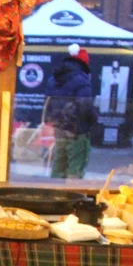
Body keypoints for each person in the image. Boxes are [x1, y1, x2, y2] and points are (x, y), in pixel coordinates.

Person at [45, 44, 95, 179]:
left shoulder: (54, 78)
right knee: (75, 169)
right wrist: (92, 121)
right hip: (77, 130)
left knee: (58, 166)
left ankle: (53, 195)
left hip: (59, 129)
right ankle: (72, 195)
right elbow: (85, 107)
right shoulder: (82, 80)